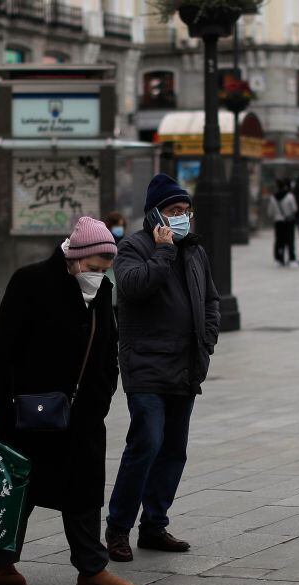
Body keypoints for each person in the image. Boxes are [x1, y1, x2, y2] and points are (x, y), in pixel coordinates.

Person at [0, 216, 135, 585]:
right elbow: (2, 343)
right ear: (75, 258)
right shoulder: (29, 282)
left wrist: (104, 392)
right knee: (22, 488)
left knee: (84, 490)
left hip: (82, 414)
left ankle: (91, 570)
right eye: (93, 269)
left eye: (103, 270)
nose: (98, 276)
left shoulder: (101, 291)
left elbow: (108, 346)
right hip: (30, 410)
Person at [106, 173, 221, 563]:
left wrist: (207, 339)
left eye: (186, 211)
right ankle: (118, 528)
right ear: (155, 214)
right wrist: (163, 251)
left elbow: (210, 299)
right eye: (174, 211)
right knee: (147, 443)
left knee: (174, 450)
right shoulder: (132, 248)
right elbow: (134, 287)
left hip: (185, 365)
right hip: (146, 365)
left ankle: (154, 525)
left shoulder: (195, 251)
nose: (182, 218)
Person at [267, 179, 297, 267]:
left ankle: (279, 258)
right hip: (288, 221)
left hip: (278, 221)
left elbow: (270, 212)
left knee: (279, 240)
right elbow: (295, 209)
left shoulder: (273, 198)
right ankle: (291, 258)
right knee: (290, 240)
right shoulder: (290, 196)